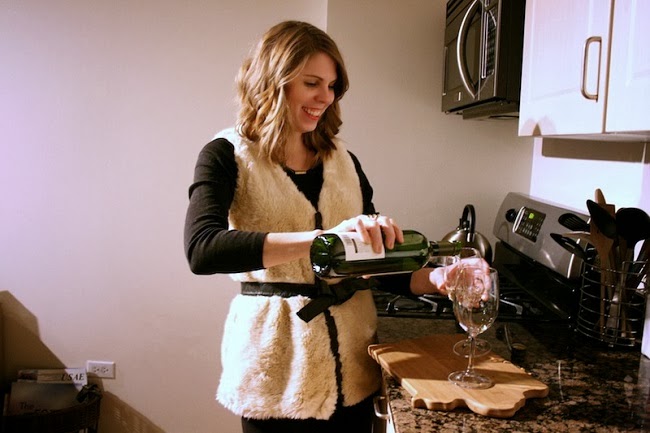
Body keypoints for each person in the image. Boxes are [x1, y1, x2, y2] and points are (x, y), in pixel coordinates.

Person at [184, 20, 476, 433]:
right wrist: (325, 241)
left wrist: (439, 278)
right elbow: (202, 249)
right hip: (275, 370)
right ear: (273, 81)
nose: (326, 97)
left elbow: (374, 262)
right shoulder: (227, 155)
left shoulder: (345, 162)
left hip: (354, 366)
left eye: (333, 86)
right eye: (312, 83)